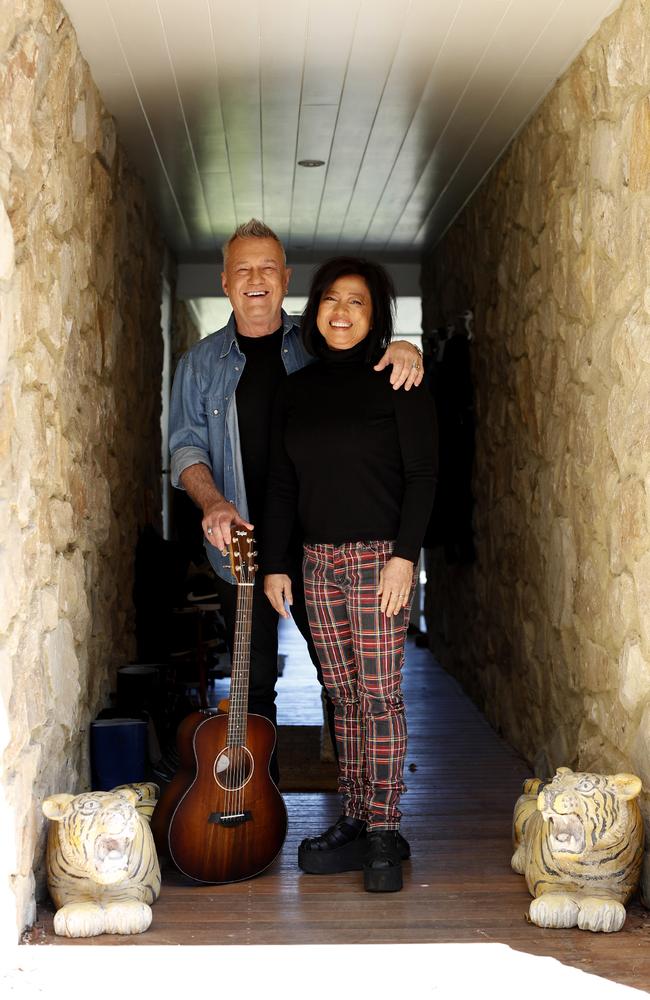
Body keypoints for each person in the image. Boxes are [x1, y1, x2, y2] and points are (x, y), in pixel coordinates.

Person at [168, 221, 424, 781]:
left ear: (286, 279)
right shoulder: (200, 364)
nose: (255, 279)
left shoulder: (315, 342)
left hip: (317, 545)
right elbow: (184, 444)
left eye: (267, 269)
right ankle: (260, 799)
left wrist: (404, 347)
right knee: (254, 679)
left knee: (344, 673)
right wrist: (211, 501)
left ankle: (358, 793)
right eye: (243, 269)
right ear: (225, 281)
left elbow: (366, 360)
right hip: (238, 548)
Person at [263, 257, 436, 891]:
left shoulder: (398, 378)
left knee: (379, 695)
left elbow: (422, 476)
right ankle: (357, 818)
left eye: (356, 302)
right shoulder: (295, 390)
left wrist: (405, 556)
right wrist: (278, 564)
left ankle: (386, 829)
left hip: (378, 560)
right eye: (331, 299)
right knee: (342, 698)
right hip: (315, 564)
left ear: (376, 315)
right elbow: (282, 485)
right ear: (315, 312)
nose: (341, 311)